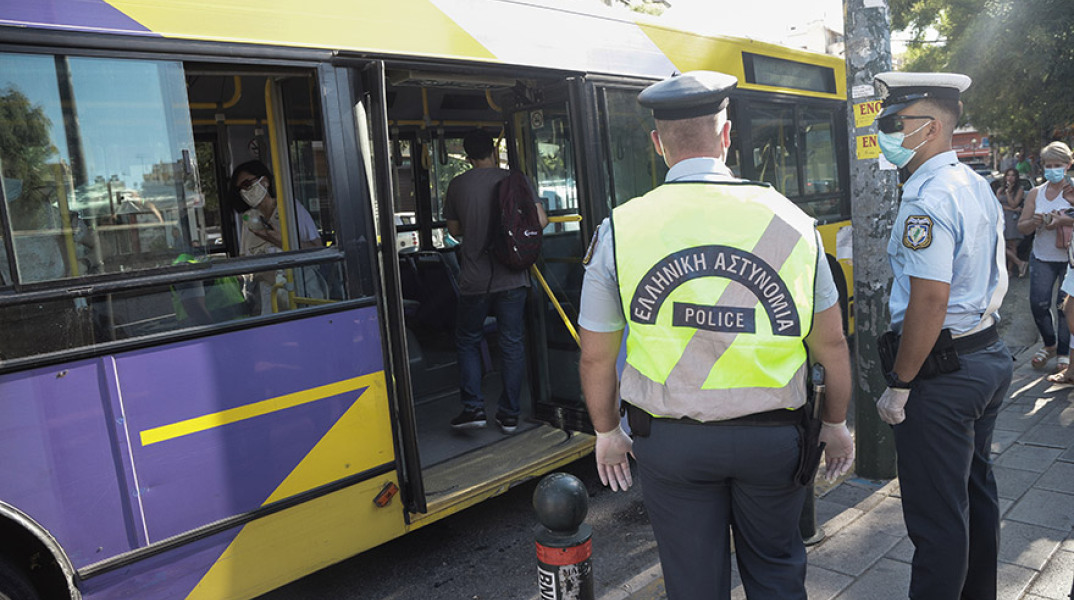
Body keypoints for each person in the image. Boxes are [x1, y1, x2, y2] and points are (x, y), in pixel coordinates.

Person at [577, 71, 854, 599]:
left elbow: (596, 357)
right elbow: (831, 344)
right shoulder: (793, 222)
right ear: (725, 136)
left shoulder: (622, 227)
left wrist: (608, 433)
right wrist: (836, 422)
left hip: (672, 444)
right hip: (775, 440)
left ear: (658, 144)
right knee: (776, 573)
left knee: (694, 584)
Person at [872, 71, 1012, 600]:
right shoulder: (972, 182)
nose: (883, 131)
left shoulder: (927, 195)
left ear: (927, 128)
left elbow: (929, 301)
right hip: (986, 355)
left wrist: (901, 382)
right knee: (975, 498)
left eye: (892, 122)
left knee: (936, 519)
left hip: (942, 374)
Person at [443, 129, 548, 433]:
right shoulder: (516, 180)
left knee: (467, 340)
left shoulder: (457, 184)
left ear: (467, 156)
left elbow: (455, 229)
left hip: (474, 279)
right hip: (514, 276)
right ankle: (510, 414)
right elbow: (540, 222)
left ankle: (474, 408)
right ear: (492, 151)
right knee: (512, 343)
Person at [229, 160, 324, 314]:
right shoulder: (250, 220)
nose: (244, 192)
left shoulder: (290, 208)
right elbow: (245, 261)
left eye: (247, 184)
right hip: (269, 300)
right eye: (240, 189)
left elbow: (317, 249)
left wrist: (281, 241)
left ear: (264, 181)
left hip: (301, 295)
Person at [1017, 142, 1074, 372]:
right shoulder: (1036, 193)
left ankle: (1062, 353)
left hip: (1069, 259)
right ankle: (1049, 344)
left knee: (1064, 307)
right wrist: (1035, 222)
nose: (1052, 170)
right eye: (1048, 166)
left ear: (1068, 165)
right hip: (1042, 256)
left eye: (1057, 165)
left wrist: (1063, 221)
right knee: (1038, 304)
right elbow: (1022, 227)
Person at [997, 168, 1028, 277]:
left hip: (1012, 220)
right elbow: (997, 205)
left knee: (1012, 245)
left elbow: (1014, 203)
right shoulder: (1000, 190)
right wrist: (1012, 209)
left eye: (1013, 175)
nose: (1010, 178)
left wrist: (1008, 193)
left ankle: (1010, 270)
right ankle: (1020, 263)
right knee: (1000, 244)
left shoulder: (1019, 190)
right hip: (1002, 218)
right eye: (1008, 175)